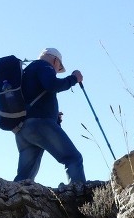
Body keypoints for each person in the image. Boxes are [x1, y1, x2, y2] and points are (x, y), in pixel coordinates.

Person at [14, 47, 86, 185]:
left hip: (22, 129)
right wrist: (74, 78)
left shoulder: (27, 71)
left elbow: (35, 95)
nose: (57, 71)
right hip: (40, 124)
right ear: (55, 60)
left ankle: (15, 200)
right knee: (73, 158)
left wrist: (54, 115)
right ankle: (81, 198)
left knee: (24, 177)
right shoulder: (43, 65)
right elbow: (52, 85)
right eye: (59, 67)